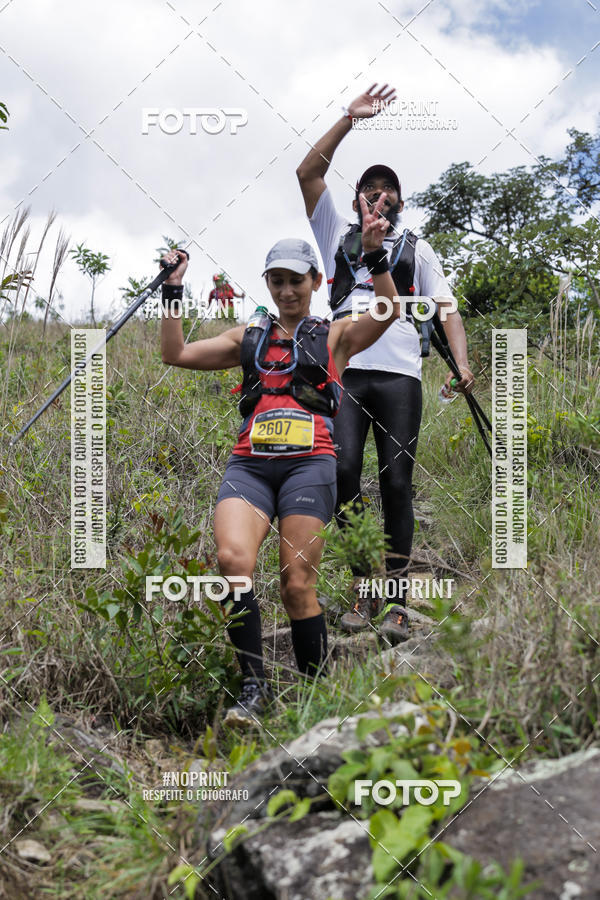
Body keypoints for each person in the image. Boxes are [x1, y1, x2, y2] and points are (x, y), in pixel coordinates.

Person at [159, 194, 402, 727]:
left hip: (309, 465)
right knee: (233, 563)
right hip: (249, 467)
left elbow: (388, 310)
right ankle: (254, 688)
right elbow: (175, 354)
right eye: (277, 281)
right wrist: (172, 290)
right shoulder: (247, 338)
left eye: (296, 280)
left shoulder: (335, 336)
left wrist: (374, 254)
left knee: (296, 583)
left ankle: (316, 698)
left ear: (315, 281)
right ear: (267, 284)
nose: (287, 290)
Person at [296, 82, 475, 644]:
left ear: (399, 201)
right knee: (343, 472)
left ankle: (395, 599)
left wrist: (462, 363)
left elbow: (446, 308)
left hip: (400, 374)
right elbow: (307, 173)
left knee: (396, 482)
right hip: (344, 370)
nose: (379, 195)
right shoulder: (335, 236)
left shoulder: (416, 249)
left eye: (388, 189)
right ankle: (363, 585)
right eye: (369, 188)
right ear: (356, 200)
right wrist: (348, 119)